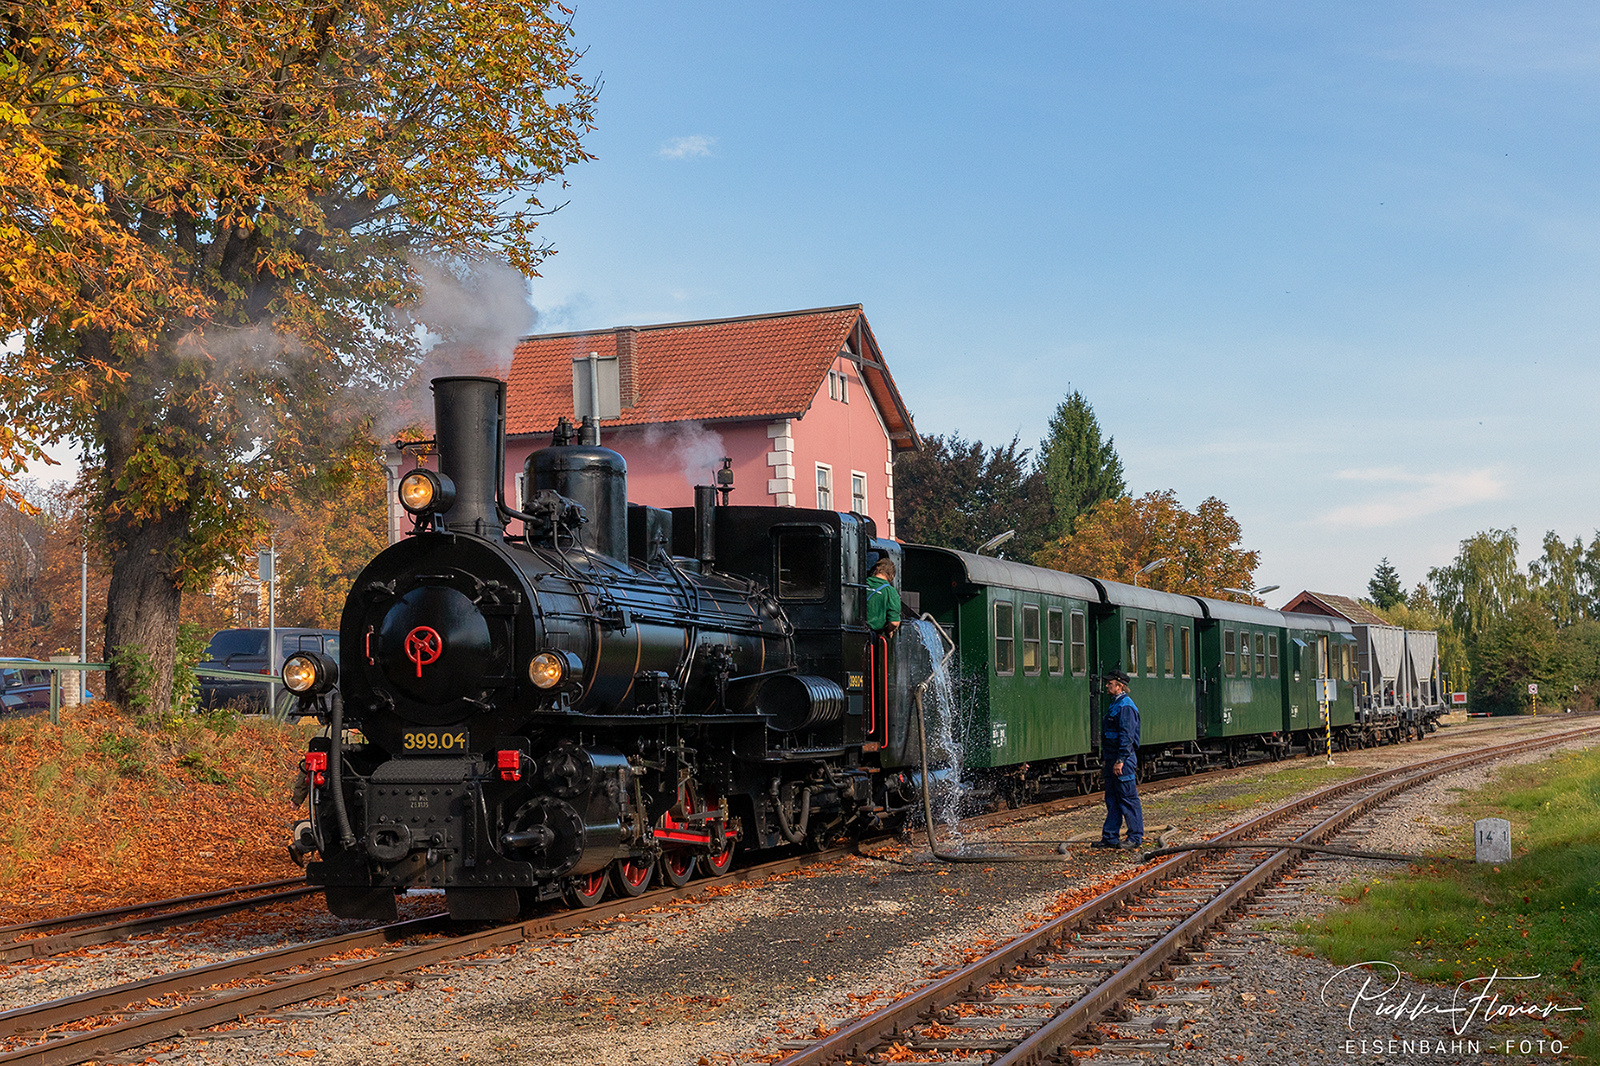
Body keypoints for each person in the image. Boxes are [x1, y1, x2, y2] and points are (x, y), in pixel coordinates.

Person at [1093, 668, 1144, 850]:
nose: (1107, 686)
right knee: (1113, 799)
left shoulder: (1126, 706)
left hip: (1123, 759)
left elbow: (1127, 735)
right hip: (1113, 758)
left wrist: (1121, 759)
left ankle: (1135, 837)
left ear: (1119, 686)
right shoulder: (1116, 704)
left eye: (1110, 683)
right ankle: (1110, 837)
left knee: (1128, 798)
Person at [865, 557, 901, 636]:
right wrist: (889, 631)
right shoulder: (890, 591)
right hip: (872, 638)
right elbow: (894, 623)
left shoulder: (862, 584)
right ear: (891, 576)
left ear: (875, 571)